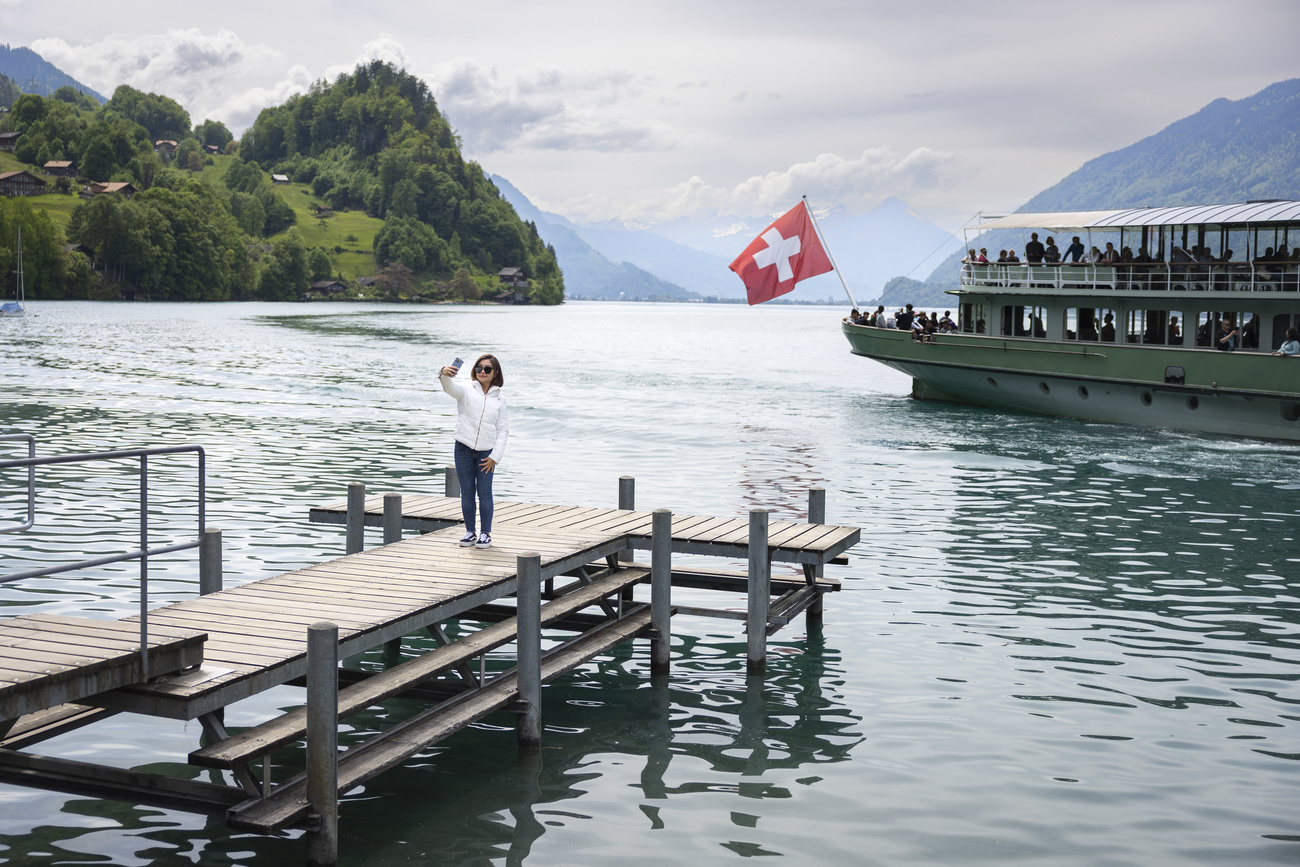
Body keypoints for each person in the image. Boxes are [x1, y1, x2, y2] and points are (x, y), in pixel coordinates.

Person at [438, 354, 509, 549]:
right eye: (479, 368)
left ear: (495, 373)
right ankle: (470, 532)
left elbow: (503, 430)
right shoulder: (466, 389)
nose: (482, 372)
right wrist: (443, 374)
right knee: (467, 492)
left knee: (485, 493)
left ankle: (486, 533)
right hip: (463, 448)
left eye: (487, 369)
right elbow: (449, 387)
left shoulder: (500, 400)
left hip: (486, 453)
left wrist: (495, 457)